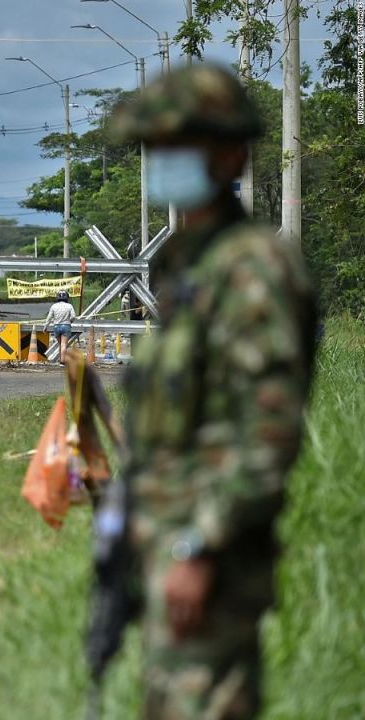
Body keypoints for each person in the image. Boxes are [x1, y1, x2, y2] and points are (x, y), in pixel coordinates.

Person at [109, 63, 316, 719]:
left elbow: (267, 432)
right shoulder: (190, 265)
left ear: (230, 154)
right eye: (155, 148)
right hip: (168, 551)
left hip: (209, 561)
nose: (161, 161)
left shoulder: (252, 267)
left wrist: (199, 545)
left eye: (180, 146)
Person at [44, 290, 77, 363]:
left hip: (56, 326)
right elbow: (73, 316)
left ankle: (60, 359)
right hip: (66, 326)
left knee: (60, 344)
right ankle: (63, 360)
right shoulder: (69, 306)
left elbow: (49, 317)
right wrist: (70, 321)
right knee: (64, 344)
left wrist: (45, 326)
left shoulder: (54, 306)